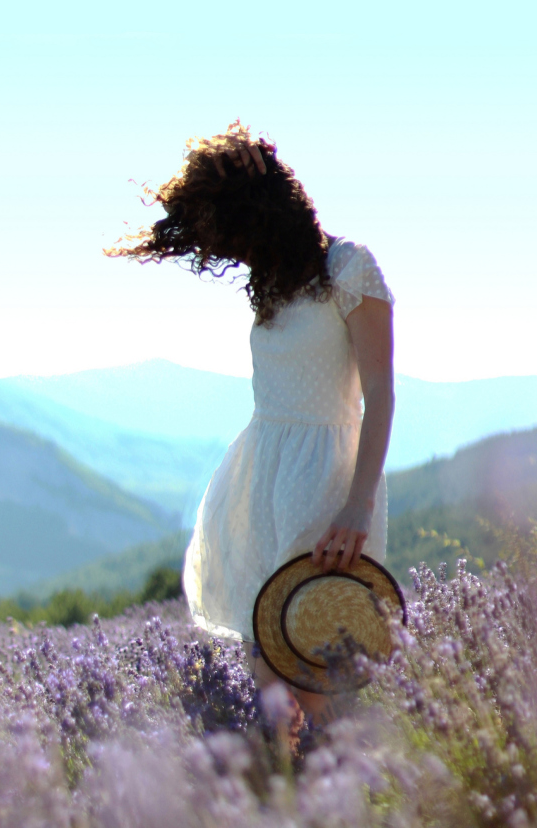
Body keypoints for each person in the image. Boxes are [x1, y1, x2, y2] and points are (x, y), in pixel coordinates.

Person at [108, 122, 395, 728]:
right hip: (260, 479)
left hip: (327, 485)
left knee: (309, 674)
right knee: (271, 673)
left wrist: (357, 506)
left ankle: (338, 802)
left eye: (236, 234)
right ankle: (290, 803)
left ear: (265, 219)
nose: (232, 252)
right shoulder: (272, 283)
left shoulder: (349, 266)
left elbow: (380, 393)